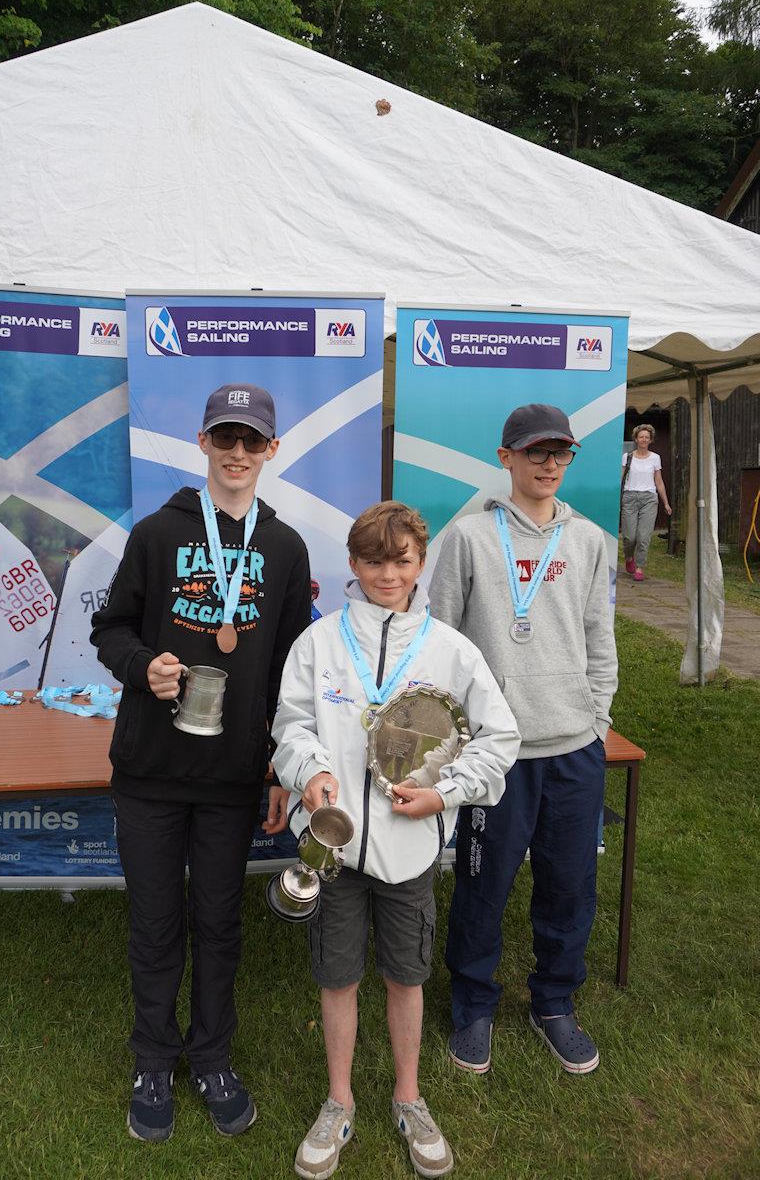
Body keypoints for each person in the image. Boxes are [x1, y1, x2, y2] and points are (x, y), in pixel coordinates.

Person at [272, 501, 520, 1180]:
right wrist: (310, 771)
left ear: (420, 563)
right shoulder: (319, 643)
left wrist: (446, 794)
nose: (388, 573)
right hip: (335, 852)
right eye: (375, 561)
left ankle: (409, 1097)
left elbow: (500, 739)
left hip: (410, 852)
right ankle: (338, 1100)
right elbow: (290, 722)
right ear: (353, 565)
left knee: (407, 976)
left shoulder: (450, 649)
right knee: (337, 976)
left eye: (402, 560)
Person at [91, 382, 311, 1143]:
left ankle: (212, 1055)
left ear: (271, 450)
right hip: (149, 771)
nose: (239, 453)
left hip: (231, 777)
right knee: (155, 924)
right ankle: (154, 1058)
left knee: (219, 923)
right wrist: (142, 663)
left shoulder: (284, 548)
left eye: (252, 441)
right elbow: (110, 628)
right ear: (204, 443)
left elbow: (290, 668)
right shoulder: (157, 533)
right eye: (226, 438)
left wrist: (280, 767)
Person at [429, 403, 618, 1077]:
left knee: (569, 884)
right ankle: (473, 1005)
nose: (548, 465)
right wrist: (460, 738)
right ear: (506, 457)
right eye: (535, 453)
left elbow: (601, 639)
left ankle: (555, 1001)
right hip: (495, 756)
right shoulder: (470, 538)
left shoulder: (590, 540)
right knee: (485, 884)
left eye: (560, 454)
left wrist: (595, 718)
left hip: (573, 748)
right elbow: (442, 640)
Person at [621, 423, 672, 582]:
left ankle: (640, 567)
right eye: (641, 437)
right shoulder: (627, 457)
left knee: (643, 536)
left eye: (647, 437)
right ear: (636, 439)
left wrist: (665, 502)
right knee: (630, 536)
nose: (644, 439)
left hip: (649, 499)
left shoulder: (655, 458)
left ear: (650, 440)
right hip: (630, 497)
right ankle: (629, 558)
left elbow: (659, 481)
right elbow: (620, 478)